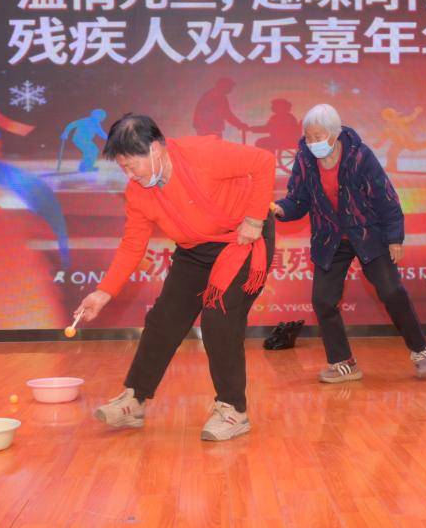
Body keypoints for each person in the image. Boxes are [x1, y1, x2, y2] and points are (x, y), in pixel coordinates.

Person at [75, 114, 276, 441]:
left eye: (133, 166)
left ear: (155, 149)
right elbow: (133, 245)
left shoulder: (202, 155)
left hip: (241, 240)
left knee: (219, 318)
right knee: (164, 319)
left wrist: (255, 218)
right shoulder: (139, 192)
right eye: (123, 168)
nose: (130, 175)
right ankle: (135, 400)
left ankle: (233, 410)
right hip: (194, 248)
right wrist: (103, 292)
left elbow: (264, 162)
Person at [270, 103, 426, 383]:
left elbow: (386, 197)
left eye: (318, 136)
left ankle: (420, 349)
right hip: (330, 237)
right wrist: (280, 209)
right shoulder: (305, 159)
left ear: (334, 134)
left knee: (391, 291)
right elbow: (298, 199)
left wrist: (394, 238)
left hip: (367, 233)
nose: (312, 142)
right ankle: (343, 363)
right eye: (308, 137)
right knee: (323, 300)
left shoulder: (359, 155)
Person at [60, 108, 107, 173]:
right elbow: (72, 124)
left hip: (86, 140)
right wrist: (65, 132)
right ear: (94, 115)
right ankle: (85, 167)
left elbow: (101, 133)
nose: (100, 118)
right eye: (99, 116)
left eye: (101, 117)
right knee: (90, 151)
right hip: (79, 139)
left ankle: (88, 166)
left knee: (94, 150)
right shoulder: (85, 121)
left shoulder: (97, 124)